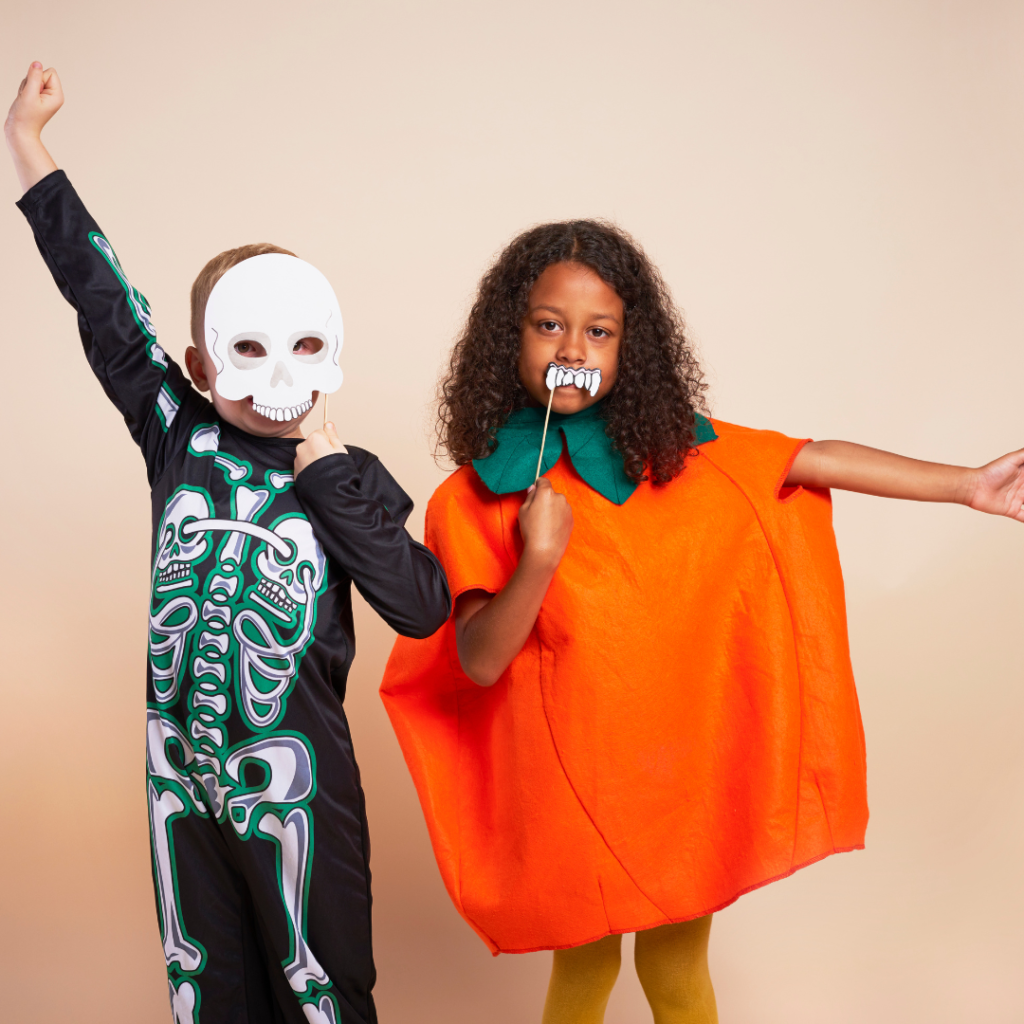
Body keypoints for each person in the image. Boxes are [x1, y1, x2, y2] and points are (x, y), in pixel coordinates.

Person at [380, 220, 1024, 1024]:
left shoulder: (678, 456)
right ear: (506, 334)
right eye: (549, 323)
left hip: (672, 781)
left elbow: (807, 459)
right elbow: (476, 661)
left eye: (599, 330)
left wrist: (967, 484)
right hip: (570, 789)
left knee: (679, 965)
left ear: (629, 346)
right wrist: (536, 561)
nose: (573, 345)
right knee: (582, 970)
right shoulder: (471, 500)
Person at [6, 62, 451, 1024]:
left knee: (321, 986)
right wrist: (32, 149)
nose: (273, 375)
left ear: (332, 347)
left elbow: (420, 606)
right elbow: (105, 307)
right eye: (245, 350)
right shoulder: (179, 432)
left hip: (297, 781)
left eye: (299, 345)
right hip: (183, 781)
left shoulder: (354, 475)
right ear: (203, 364)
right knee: (206, 987)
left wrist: (326, 470)